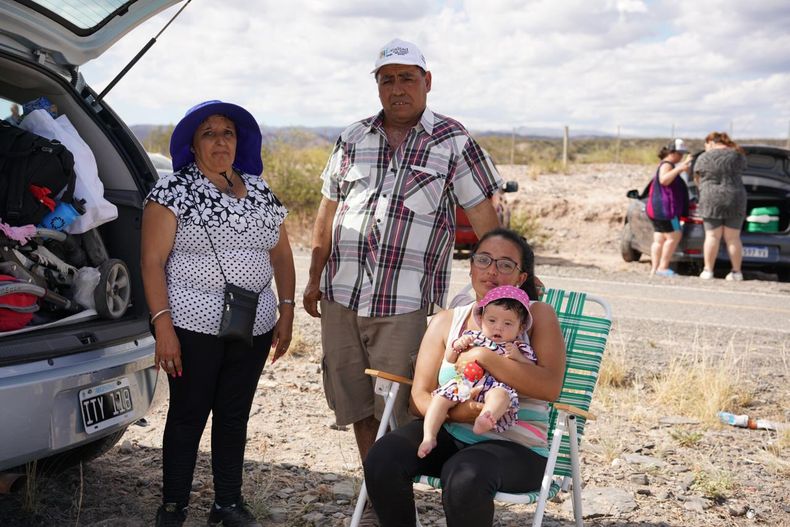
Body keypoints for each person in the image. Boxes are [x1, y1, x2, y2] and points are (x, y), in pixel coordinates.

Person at [303, 38, 502, 475]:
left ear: (427, 81)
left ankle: (397, 491)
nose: (397, 89)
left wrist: (504, 280)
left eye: (407, 78)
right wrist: (314, 278)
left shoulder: (453, 140)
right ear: (377, 86)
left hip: (405, 303)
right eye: (387, 80)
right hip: (341, 296)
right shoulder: (352, 137)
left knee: (403, 405)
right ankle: (376, 491)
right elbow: (327, 211)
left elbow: (484, 216)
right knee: (356, 402)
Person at [141, 100, 295, 527]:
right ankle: (173, 506)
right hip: (190, 326)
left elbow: (282, 254)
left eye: (227, 132)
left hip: (254, 325)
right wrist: (162, 327)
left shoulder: (260, 190)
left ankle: (227, 504)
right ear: (192, 145)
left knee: (234, 413)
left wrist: (286, 309)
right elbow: (151, 262)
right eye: (208, 133)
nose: (220, 141)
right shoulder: (171, 192)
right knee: (188, 414)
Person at [363, 228, 566, 527]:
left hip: (517, 447)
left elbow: (550, 388)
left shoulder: (537, 317)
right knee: (383, 458)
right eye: (483, 260)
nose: (492, 270)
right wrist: (464, 413)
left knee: (464, 475)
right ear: (471, 267)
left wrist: (484, 357)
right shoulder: (448, 321)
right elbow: (419, 399)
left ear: (521, 277)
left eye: (505, 264)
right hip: (450, 433)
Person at [419, 285, 536, 458]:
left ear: (520, 328)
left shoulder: (519, 347)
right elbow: (450, 359)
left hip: (495, 386)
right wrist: (457, 345)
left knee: (501, 396)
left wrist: (519, 357)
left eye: (508, 323)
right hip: (465, 383)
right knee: (439, 399)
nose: (498, 328)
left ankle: (486, 417)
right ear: (481, 320)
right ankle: (429, 436)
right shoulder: (474, 337)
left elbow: (531, 370)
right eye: (492, 321)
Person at [693, 132, 747, 281]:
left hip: (710, 198)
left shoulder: (703, 157)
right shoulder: (737, 155)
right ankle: (736, 272)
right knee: (733, 238)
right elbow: (743, 169)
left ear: (711, 142)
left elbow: (697, 179)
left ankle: (708, 271)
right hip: (735, 198)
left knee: (712, 236)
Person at [647, 138, 691, 277]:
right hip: (668, 211)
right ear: (671, 152)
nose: (681, 156)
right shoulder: (667, 165)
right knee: (674, 236)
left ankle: (654, 269)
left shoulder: (665, 164)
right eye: (680, 153)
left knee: (659, 239)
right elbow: (664, 180)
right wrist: (680, 168)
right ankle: (663, 267)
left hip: (657, 210)